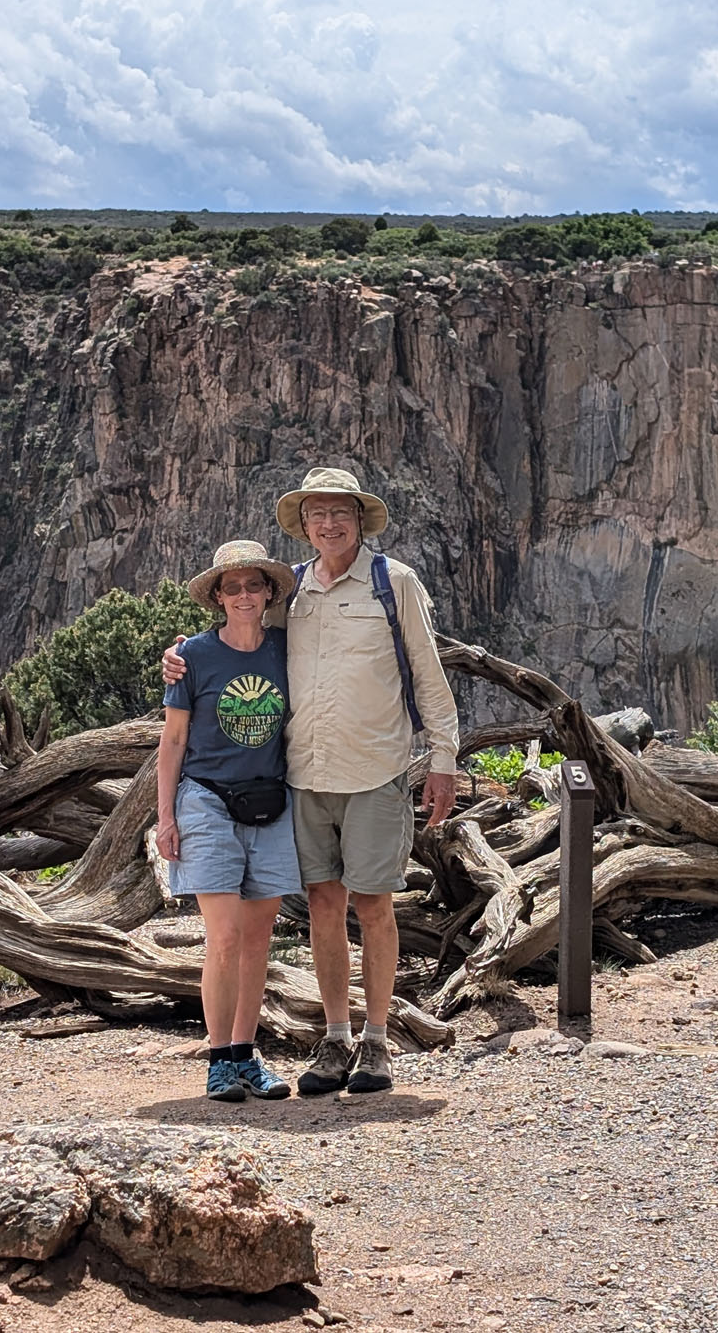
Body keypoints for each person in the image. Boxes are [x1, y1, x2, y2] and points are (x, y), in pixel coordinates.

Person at [165, 467, 461, 1096]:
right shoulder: (289, 593)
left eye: (340, 513)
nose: (329, 524)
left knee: (375, 906)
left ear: (360, 518)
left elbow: (429, 676)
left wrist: (443, 759)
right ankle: (335, 1039)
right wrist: (178, 654)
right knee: (324, 907)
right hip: (305, 775)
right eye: (317, 515)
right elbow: (234, 641)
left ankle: (377, 1041)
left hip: (376, 769)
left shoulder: (393, 582)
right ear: (303, 526)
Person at [156, 539, 303, 1102]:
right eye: (232, 586)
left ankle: (245, 1055)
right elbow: (172, 740)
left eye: (253, 584)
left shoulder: (288, 651)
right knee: (223, 937)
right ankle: (219, 1059)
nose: (243, 594)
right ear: (218, 597)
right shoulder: (192, 657)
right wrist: (166, 817)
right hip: (207, 800)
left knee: (258, 937)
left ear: (268, 592)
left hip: (269, 802)